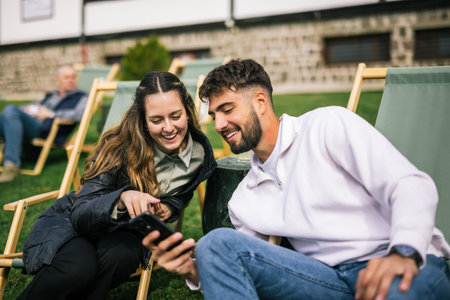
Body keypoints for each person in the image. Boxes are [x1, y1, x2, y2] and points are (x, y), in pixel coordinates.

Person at [143, 59, 450, 300]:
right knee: (216, 243)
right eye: (214, 115)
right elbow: (244, 271)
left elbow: (410, 184)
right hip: (329, 282)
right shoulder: (244, 199)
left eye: (227, 109)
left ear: (260, 101)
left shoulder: (327, 126)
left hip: (400, 262)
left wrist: (404, 253)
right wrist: (195, 271)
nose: (219, 124)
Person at [17, 71, 216, 299]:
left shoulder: (200, 154)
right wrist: (123, 198)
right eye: (157, 120)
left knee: (120, 257)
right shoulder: (119, 147)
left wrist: (170, 207)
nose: (169, 127)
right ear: (143, 120)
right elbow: (81, 214)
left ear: (188, 113)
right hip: (71, 224)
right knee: (78, 268)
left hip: (126, 232)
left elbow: (183, 193)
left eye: (175, 116)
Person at [0, 64, 87, 183]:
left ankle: (11, 167)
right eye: (66, 77)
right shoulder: (52, 95)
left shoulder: (81, 97)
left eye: (73, 77)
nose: (71, 80)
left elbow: (80, 114)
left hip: (46, 129)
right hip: (33, 122)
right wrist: (29, 109)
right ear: (57, 80)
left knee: (10, 110)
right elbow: (32, 106)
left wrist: (51, 114)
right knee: (8, 114)